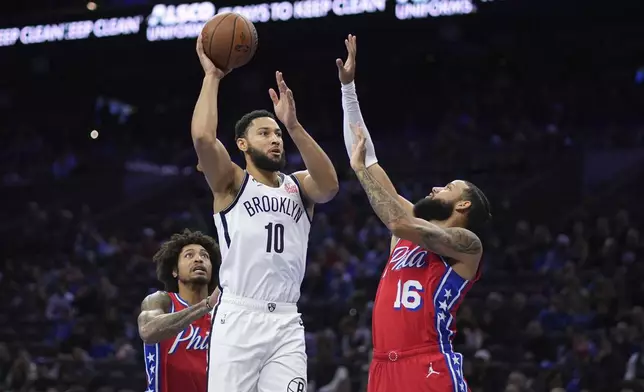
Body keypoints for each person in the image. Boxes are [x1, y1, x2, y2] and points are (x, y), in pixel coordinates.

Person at [337, 35, 492, 392]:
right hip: (381, 366)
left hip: (428, 363)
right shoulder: (410, 227)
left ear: (463, 205)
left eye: (448, 188)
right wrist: (349, 90)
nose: (436, 189)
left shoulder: (467, 244)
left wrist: (358, 172)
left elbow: (397, 221)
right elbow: (369, 157)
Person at [192, 32, 340, 392]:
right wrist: (212, 77)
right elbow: (202, 139)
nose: (275, 139)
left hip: (287, 320)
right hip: (239, 315)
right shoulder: (231, 182)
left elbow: (330, 186)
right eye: (264, 133)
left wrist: (293, 125)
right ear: (242, 144)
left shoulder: (298, 185)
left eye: (277, 134)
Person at [137, 229, 221, 392]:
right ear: (174, 270)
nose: (198, 259)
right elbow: (148, 331)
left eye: (205, 256)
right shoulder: (162, 300)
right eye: (189, 255)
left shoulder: (223, 312)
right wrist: (206, 305)